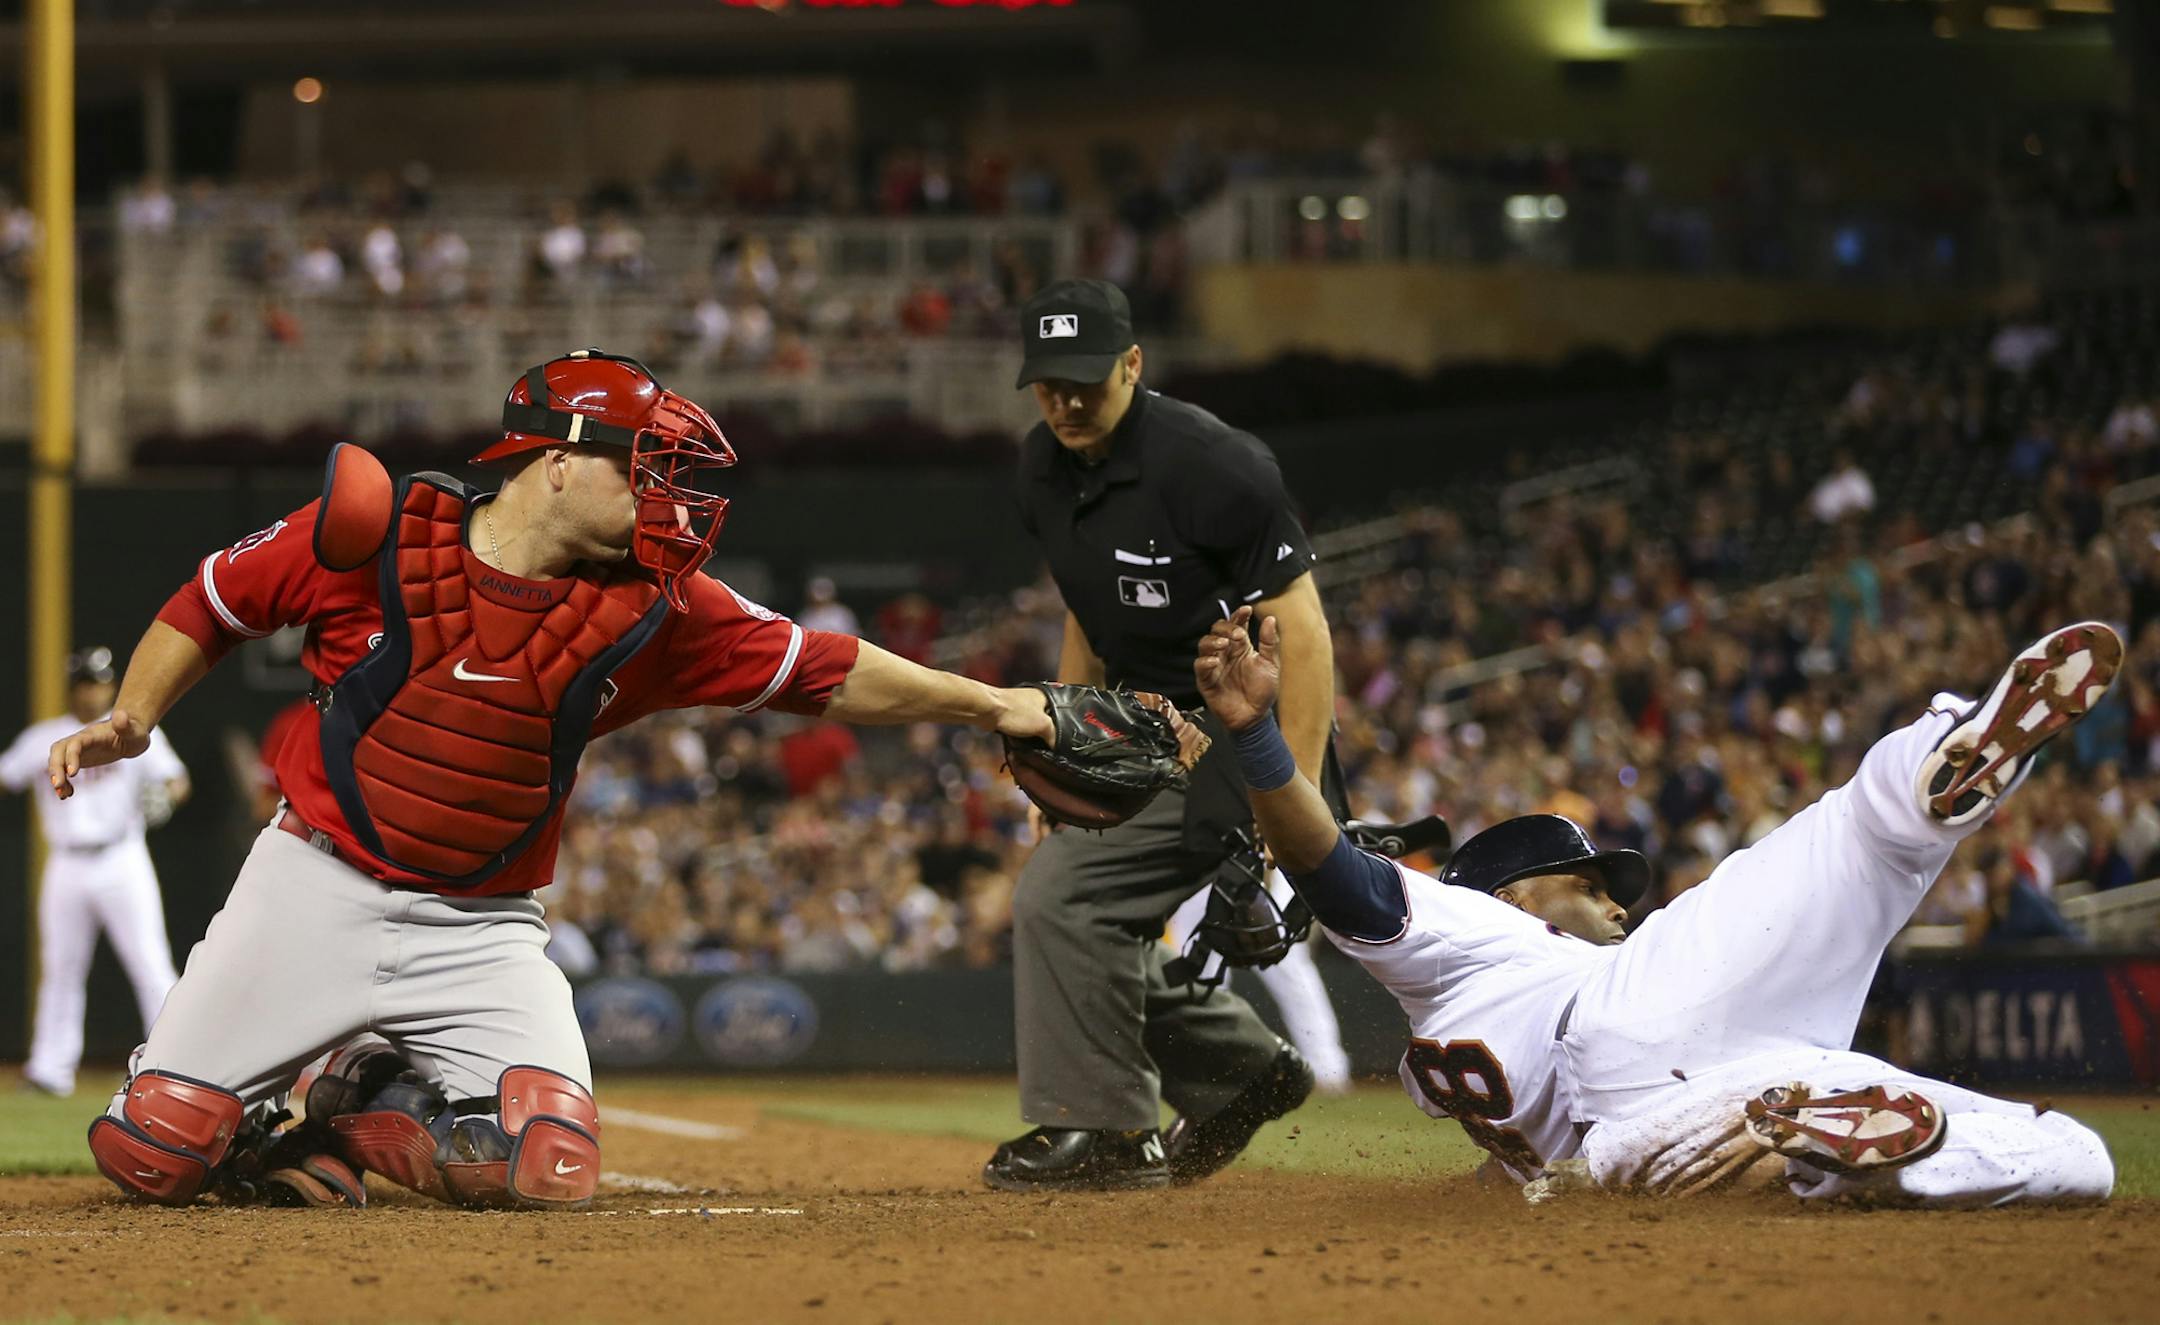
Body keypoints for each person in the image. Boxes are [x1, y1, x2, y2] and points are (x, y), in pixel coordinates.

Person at [50, 348, 1055, 1211]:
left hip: (480, 924)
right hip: (312, 885)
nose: (669, 496)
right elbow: (215, 600)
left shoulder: (659, 606)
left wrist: (996, 703)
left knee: (546, 1160)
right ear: (560, 461)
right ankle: (265, 1116)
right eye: (647, 468)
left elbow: (824, 667)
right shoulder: (377, 528)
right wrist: (132, 715)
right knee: (155, 1148)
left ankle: (363, 1092)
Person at [1192, 606, 2121, 1207]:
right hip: (1626, 1021)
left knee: (2079, 1160)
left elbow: (1500, 1190)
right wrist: (1256, 739)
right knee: (1858, 832)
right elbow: (1327, 865)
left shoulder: (1458, 1045)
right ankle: (1926, 766)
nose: (1613, 898)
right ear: (1513, 894)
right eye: (1587, 881)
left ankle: (1836, 1154)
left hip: (1696, 1095)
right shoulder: (1469, 930)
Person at [985, 279, 1331, 1192]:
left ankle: (1107, 1130)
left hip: (1233, 729)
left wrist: (1282, 791)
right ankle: (1240, 1069)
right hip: (1136, 730)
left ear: (1133, 364)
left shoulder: (1213, 464)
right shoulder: (1040, 469)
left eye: (1082, 382)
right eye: (1045, 384)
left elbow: (1305, 630)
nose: (1062, 401)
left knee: (1062, 899)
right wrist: (1062, 745)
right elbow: (1086, 616)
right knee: (1081, 913)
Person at [0, 647, 188, 1097]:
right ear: (73, 687)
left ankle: (178, 1062)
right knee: (61, 968)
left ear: (111, 684)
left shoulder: (130, 730)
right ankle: (50, 1070)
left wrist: (167, 797)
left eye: (99, 681)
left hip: (122, 857)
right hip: (66, 862)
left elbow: (177, 780)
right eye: (85, 682)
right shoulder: (45, 737)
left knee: (150, 962)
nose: (93, 690)